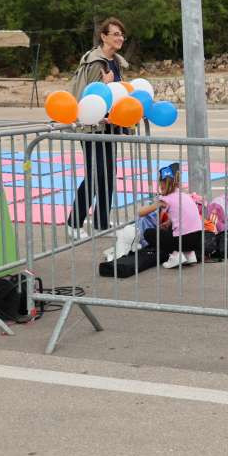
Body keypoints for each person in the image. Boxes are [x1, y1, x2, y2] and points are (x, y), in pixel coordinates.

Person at [66, 17, 128, 239]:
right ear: (103, 36)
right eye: (115, 34)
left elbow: (117, 95)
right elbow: (88, 97)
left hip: (110, 127)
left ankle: (101, 222)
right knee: (95, 174)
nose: (120, 38)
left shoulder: (116, 63)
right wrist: (107, 85)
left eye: (122, 35)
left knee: (109, 174)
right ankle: (74, 223)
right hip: (92, 128)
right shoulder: (95, 63)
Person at [137, 163, 205, 268]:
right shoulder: (185, 195)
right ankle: (189, 254)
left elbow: (141, 213)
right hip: (197, 239)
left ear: (162, 184)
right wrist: (168, 222)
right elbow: (184, 217)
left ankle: (175, 255)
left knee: (149, 233)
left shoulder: (165, 200)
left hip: (184, 240)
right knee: (171, 230)